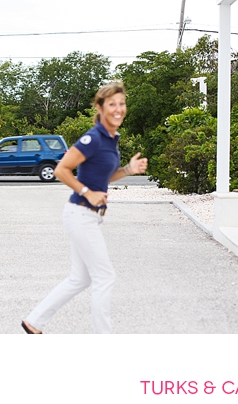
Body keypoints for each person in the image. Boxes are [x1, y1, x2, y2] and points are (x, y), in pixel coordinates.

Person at [22, 80, 147, 334]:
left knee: (80, 278)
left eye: (122, 104)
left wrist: (127, 170)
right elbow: (61, 170)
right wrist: (87, 192)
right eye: (112, 104)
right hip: (80, 214)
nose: (118, 109)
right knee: (105, 276)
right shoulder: (93, 138)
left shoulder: (112, 138)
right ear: (100, 107)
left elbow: (105, 177)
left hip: (88, 216)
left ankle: (34, 322)